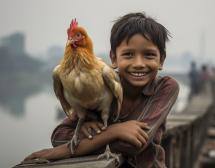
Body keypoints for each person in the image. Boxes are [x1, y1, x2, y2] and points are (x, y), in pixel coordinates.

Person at [23, 12, 179, 168]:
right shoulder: (101, 84)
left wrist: (67, 150)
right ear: (113, 58)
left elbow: (134, 144)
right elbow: (59, 137)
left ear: (161, 60)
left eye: (149, 55)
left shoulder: (165, 87)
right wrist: (115, 131)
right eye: (128, 54)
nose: (138, 63)